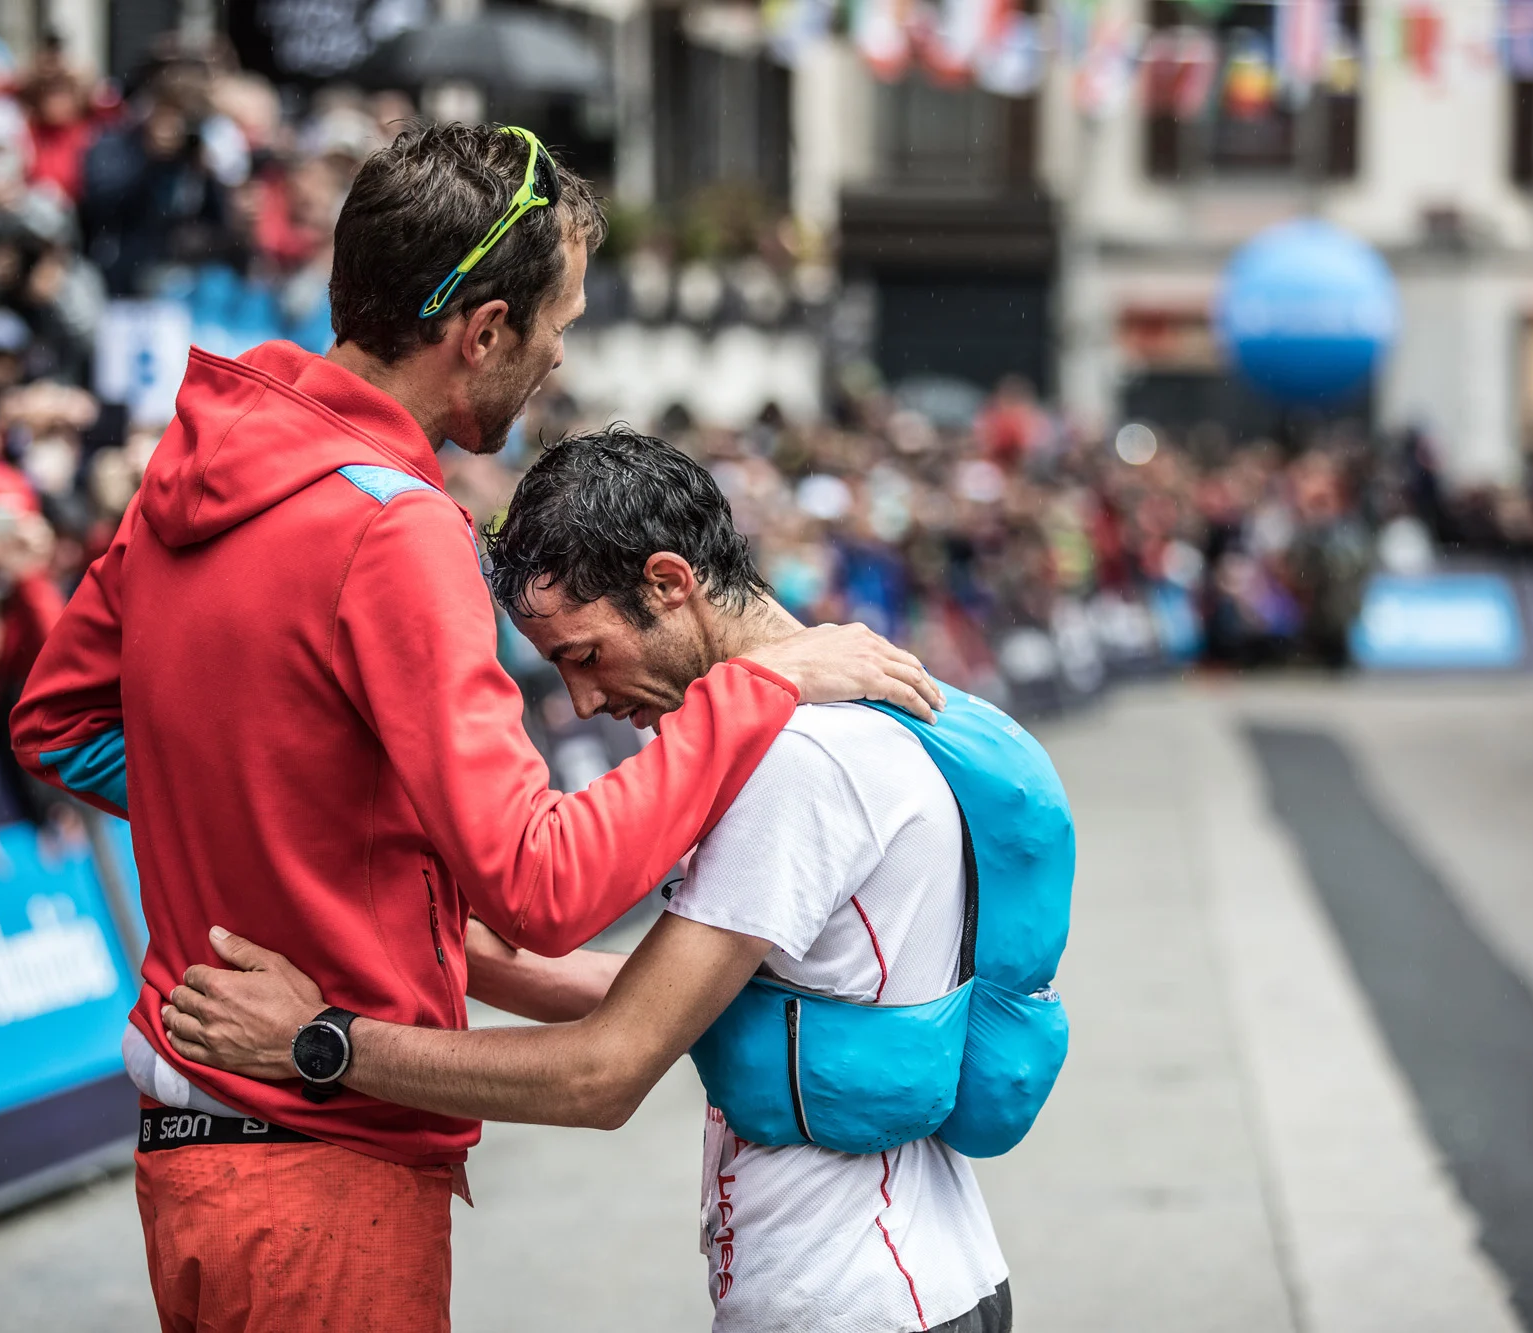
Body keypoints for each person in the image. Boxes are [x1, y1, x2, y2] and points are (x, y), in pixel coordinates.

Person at [10, 123, 939, 1333]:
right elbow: (542, 882)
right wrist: (753, 691)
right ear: (483, 329)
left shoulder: (206, 463)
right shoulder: (398, 527)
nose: (558, 354)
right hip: (318, 1170)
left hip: (195, 1160)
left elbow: (58, 722)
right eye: (555, 321)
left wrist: (290, 815)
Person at [162, 428, 1014, 1333]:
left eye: (584, 654)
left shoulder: (798, 764)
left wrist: (318, 1041)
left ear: (670, 582)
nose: (581, 702)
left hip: (858, 1300)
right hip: (911, 1274)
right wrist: (461, 956)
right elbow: (700, 994)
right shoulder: (818, 732)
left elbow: (604, 1071)